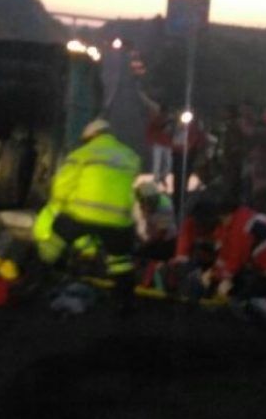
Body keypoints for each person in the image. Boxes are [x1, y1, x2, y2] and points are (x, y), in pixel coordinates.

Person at [32, 119, 142, 312]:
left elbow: (61, 187)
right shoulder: (131, 156)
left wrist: (59, 205)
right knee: (120, 262)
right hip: (117, 220)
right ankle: (125, 302)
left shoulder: (81, 154)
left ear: (90, 137)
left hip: (82, 214)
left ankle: (34, 279)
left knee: (53, 243)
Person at [172, 195, 266, 314]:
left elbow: (231, 267)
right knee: (236, 285)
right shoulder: (243, 217)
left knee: (246, 301)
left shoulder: (238, 230)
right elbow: (226, 260)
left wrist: (208, 280)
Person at [133, 181, 177, 261]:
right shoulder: (145, 202)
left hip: (165, 243)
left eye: (144, 201)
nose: (142, 204)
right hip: (153, 238)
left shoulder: (165, 206)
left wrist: (146, 244)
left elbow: (162, 232)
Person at [139, 90, 175, 185]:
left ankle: (162, 176)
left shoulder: (171, 119)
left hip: (167, 144)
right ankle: (156, 178)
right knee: (157, 163)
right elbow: (151, 129)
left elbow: (174, 131)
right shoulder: (157, 118)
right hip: (158, 143)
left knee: (168, 164)